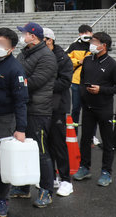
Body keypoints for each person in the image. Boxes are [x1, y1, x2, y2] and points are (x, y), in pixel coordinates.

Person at [10, 22, 57, 208]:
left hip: (38, 110)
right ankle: (23, 187)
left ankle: (46, 190)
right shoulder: (24, 53)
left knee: (41, 152)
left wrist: (16, 83)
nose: (22, 36)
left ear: (33, 36)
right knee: (24, 150)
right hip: (23, 108)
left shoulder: (46, 56)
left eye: (24, 33)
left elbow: (35, 81)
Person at [72, 32, 116, 186]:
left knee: (107, 142)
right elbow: (81, 80)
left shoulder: (112, 64)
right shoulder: (87, 60)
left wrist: (101, 89)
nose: (92, 44)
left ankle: (106, 172)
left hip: (104, 107)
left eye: (95, 41)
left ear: (104, 45)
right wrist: (83, 93)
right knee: (85, 139)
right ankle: (84, 167)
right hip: (87, 107)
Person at [0, 27, 28, 217]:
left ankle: (2, 199)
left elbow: (21, 101)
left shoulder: (15, 68)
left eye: (2, 44)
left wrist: (20, 128)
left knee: (2, 161)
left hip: (5, 119)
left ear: (11, 48)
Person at [43, 28, 73, 196]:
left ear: (50, 40)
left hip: (57, 106)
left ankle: (66, 179)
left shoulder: (62, 58)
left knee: (59, 143)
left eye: (43, 40)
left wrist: (43, 84)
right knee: (45, 143)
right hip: (40, 106)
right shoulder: (36, 55)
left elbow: (65, 82)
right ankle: (52, 175)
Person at [67, 25, 92, 132]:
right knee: (76, 108)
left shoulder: (94, 45)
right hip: (76, 81)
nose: (86, 34)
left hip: (90, 81)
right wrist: (78, 62)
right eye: (83, 33)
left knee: (90, 109)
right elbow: (66, 60)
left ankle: (91, 135)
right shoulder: (74, 46)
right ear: (79, 34)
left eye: (88, 32)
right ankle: (74, 132)